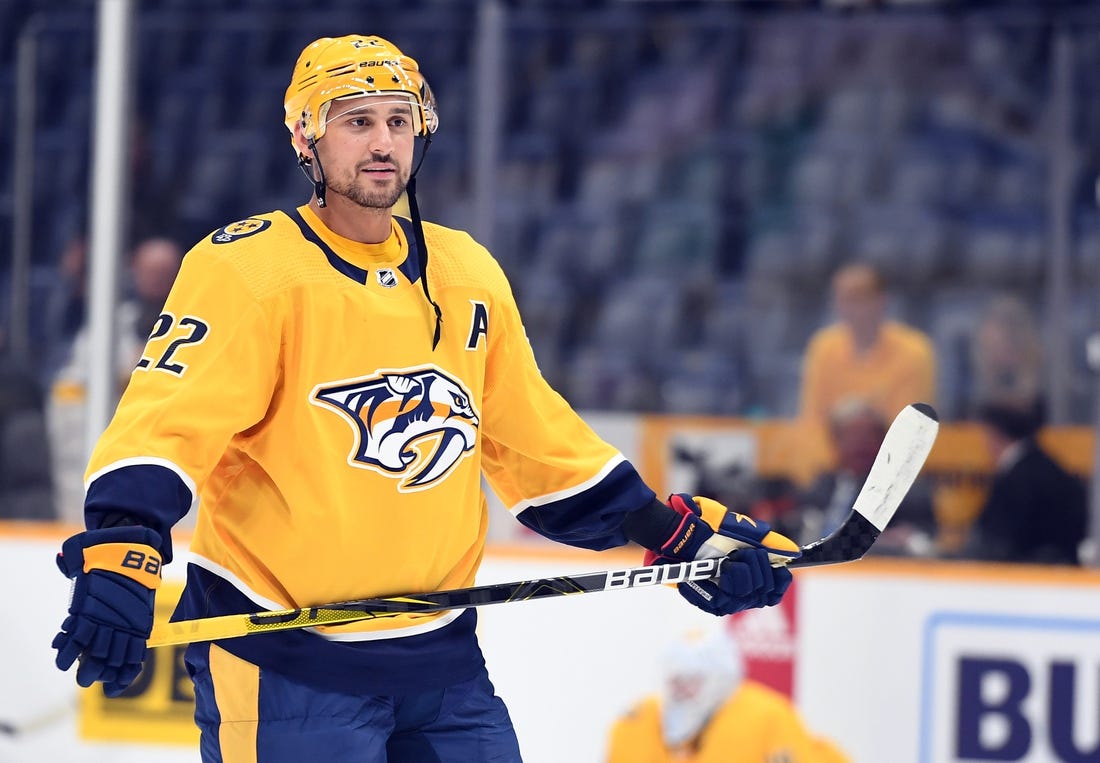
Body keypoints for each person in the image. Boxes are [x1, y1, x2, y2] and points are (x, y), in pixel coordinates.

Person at [50, 35, 798, 762]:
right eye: (357, 120)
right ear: (306, 138)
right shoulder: (248, 270)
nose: (383, 142)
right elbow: (166, 422)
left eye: (399, 121)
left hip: (440, 667)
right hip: (284, 660)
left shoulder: (465, 270)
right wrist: (123, 551)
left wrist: (673, 534)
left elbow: (536, 446)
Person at [605, 624, 849, 763]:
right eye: (676, 680)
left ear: (722, 679)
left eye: (693, 680)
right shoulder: (637, 719)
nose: (682, 690)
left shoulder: (767, 717)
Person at [799, 262, 937, 425]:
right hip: (832, 447)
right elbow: (812, 420)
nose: (850, 308)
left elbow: (910, 426)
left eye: (859, 298)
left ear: (881, 301)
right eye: (843, 299)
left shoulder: (914, 350)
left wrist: (862, 417)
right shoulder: (823, 347)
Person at [797, 397, 937, 557]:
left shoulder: (906, 490)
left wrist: (904, 539)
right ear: (835, 441)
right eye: (851, 436)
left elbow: (923, 543)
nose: (860, 444)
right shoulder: (822, 485)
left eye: (868, 435)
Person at [961, 399, 1087, 565]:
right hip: (1055, 568)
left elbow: (1003, 538)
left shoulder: (1020, 477)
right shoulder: (1042, 464)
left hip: (1033, 572)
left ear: (996, 435)